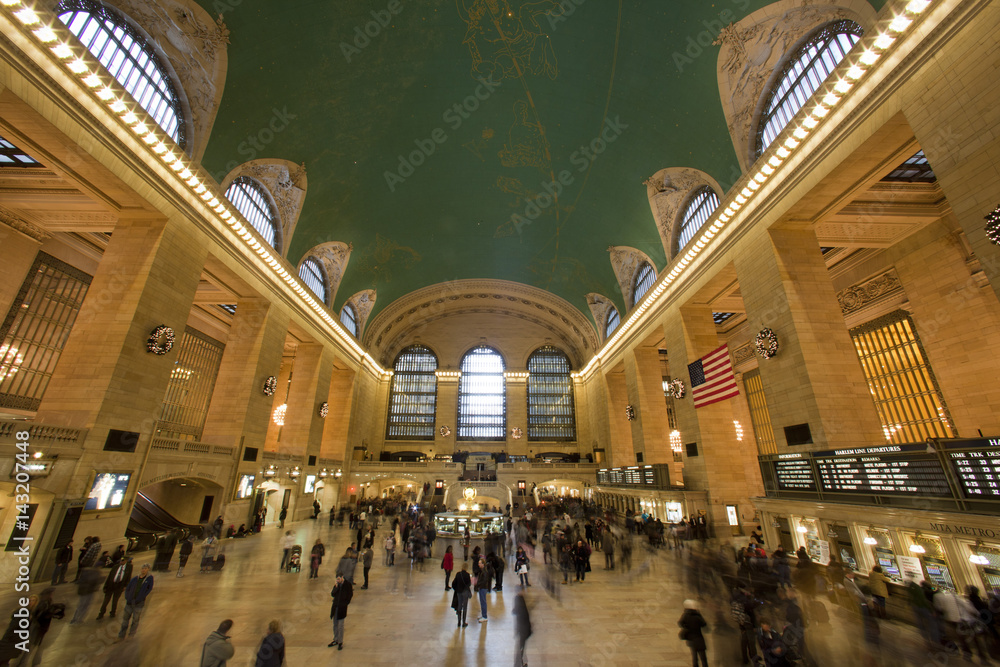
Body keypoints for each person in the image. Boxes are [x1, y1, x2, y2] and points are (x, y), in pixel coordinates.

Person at [117, 563, 153, 640]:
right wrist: (127, 597)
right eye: (142, 568)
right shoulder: (135, 579)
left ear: (148, 569)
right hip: (129, 602)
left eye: (145, 568)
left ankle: (131, 635)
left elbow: (149, 589)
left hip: (139, 603)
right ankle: (121, 636)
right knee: (125, 620)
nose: (143, 570)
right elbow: (128, 588)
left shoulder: (149, 579)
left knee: (135, 620)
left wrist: (141, 597)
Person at [678, 599, 709, 667]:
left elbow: (680, 623)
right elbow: (704, 624)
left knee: (694, 657)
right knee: (703, 657)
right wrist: (699, 614)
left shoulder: (685, 615)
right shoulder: (697, 616)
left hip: (691, 639)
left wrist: (686, 627)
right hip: (699, 638)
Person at [329, 573, 353, 650]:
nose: (338, 580)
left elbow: (350, 594)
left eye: (339, 579)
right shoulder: (337, 585)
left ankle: (340, 641)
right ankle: (336, 639)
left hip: (342, 608)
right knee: (335, 624)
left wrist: (345, 603)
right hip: (335, 607)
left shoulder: (347, 585)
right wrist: (336, 587)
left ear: (342, 577)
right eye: (337, 579)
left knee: (340, 626)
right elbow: (332, 594)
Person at [513, 592, 532, 667]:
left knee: (521, 647)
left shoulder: (521, 611)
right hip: (523, 632)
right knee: (521, 647)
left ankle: (523, 662)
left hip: (523, 632)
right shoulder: (523, 609)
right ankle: (524, 661)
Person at [451, 563, 473, 627]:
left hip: (459, 592)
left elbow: (453, 583)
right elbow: (469, 584)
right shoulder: (467, 575)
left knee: (459, 606)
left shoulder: (458, 574)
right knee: (465, 607)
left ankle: (458, 622)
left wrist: (456, 589)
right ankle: (464, 622)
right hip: (465, 592)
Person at [475, 556, 493, 623]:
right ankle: (483, 615)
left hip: (483, 588)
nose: (478, 564)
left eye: (480, 563)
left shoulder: (484, 572)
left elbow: (484, 581)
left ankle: (484, 616)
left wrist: (478, 585)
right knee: (482, 602)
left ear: (483, 564)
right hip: (481, 588)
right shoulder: (482, 571)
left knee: (483, 602)